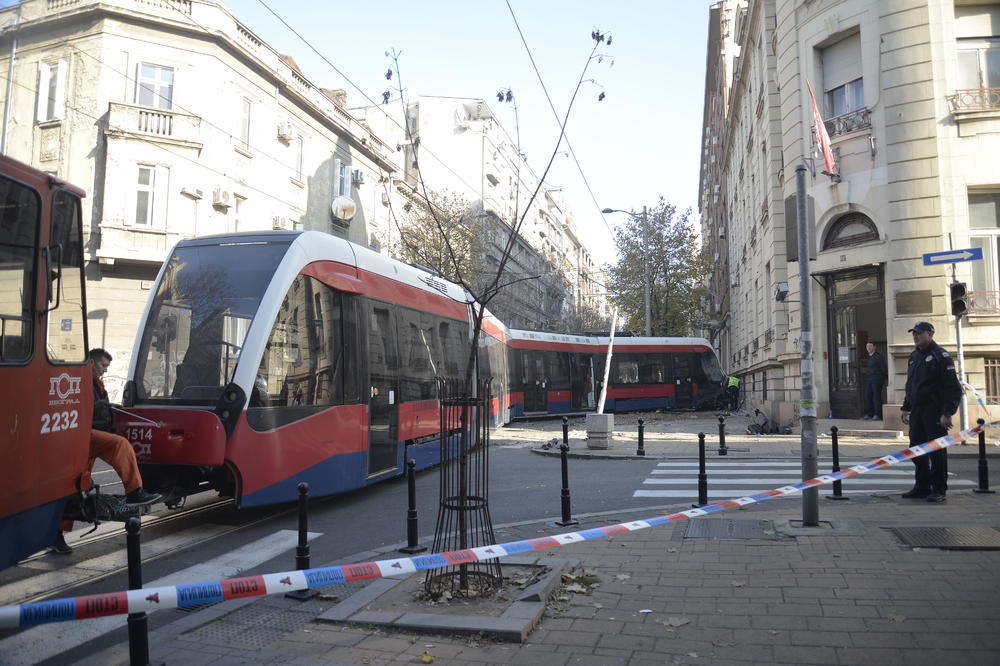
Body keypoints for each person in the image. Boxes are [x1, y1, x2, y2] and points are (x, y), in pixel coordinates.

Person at [52, 349, 161, 555]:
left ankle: (56, 536)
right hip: (84, 435)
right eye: (102, 366)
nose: (104, 371)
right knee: (120, 445)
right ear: (91, 362)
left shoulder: (97, 384)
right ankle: (135, 492)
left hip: (92, 438)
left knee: (74, 487)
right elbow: (76, 407)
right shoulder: (78, 381)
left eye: (107, 367)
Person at [900, 322, 963, 503]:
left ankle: (938, 489)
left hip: (934, 411)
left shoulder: (941, 356)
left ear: (930, 334)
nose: (915, 337)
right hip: (918, 410)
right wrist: (906, 407)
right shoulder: (914, 357)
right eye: (914, 334)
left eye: (919, 334)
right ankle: (922, 486)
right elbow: (911, 385)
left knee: (936, 452)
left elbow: (953, 388)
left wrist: (947, 412)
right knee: (915, 449)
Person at [863, 342, 887, 420]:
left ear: (874, 347)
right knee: (867, 396)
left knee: (877, 397)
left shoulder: (878, 357)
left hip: (877, 379)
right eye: (867, 346)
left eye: (870, 346)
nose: (868, 348)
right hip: (870, 379)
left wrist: (883, 378)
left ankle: (878, 415)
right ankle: (870, 414)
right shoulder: (868, 357)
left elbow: (883, 368)